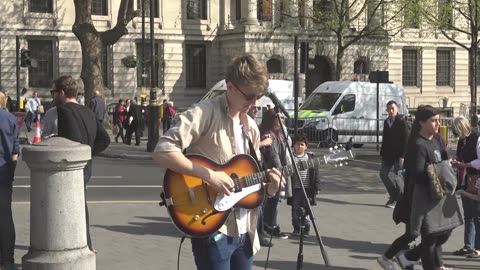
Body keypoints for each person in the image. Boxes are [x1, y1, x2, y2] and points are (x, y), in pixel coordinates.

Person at [153, 54, 284, 270]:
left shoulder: (250, 127)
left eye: (258, 96)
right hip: (214, 228)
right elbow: (162, 151)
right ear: (230, 87)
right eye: (249, 96)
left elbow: (248, 181)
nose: (254, 103)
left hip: (245, 231)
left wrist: (270, 189)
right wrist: (209, 175)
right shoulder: (204, 113)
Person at [394, 105, 462, 270]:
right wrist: (435, 175)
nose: (438, 124)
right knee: (429, 236)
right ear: (422, 123)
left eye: (438, 120)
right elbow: (417, 173)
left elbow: (443, 161)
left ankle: (410, 257)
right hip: (424, 197)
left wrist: (447, 169)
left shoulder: (437, 139)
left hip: (440, 194)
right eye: (433, 121)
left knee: (444, 232)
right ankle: (417, 261)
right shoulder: (418, 144)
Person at [53, 76, 110, 252]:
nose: (52, 95)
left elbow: (72, 140)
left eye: (53, 92)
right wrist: (89, 153)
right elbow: (105, 139)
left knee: (67, 205)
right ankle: (86, 244)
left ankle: (73, 242)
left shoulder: (63, 110)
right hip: (87, 166)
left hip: (71, 168)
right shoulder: (88, 111)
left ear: (62, 93)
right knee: (80, 203)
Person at [450, 116, 480, 257]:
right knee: (468, 214)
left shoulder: (477, 137)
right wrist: (454, 161)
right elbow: (459, 155)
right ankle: (468, 245)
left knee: (477, 214)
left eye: (457, 131)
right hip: (466, 178)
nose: (457, 136)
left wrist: (464, 165)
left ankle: (478, 248)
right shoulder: (463, 140)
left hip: (477, 177)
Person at [259, 109, 289, 240]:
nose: (283, 121)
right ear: (272, 119)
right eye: (280, 118)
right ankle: (267, 226)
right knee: (269, 201)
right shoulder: (269, 135)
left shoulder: (279, 134)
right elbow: (273, 156)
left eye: (283, 118)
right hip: (269, 174)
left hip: (277, 172)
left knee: (274, 201)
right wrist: (281, 170)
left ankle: (268, 225)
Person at [0, 92, 19, 270]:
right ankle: (7, 258)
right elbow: (15, 150)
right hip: (4, 170)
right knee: (5, 215)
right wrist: (11, 171)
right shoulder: (11, 118)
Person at [289, 135, 321, 236]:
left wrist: (317, 188)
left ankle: (306, 228)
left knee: (307, 209)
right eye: (297, 144)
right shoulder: (291, 158)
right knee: (295, 208)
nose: (299, 147)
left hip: (307, 189)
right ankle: (297, 228)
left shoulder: (309, 158)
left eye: (302, 144)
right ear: (293, 145)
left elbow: (316, 174)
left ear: (306, 146)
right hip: (296, 189)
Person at [379, 100, 408, 208]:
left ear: (397, 109)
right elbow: (385, 139)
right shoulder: (386, 122)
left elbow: (406, 139)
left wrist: (403, 156)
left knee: (398, 176)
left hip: (398, 154)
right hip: (387, 154)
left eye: (393, 108)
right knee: (383, 174)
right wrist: (382, 153)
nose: (391, 111)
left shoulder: (402, 121)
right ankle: (393, 194)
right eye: (389, 109)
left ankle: (397, 200)